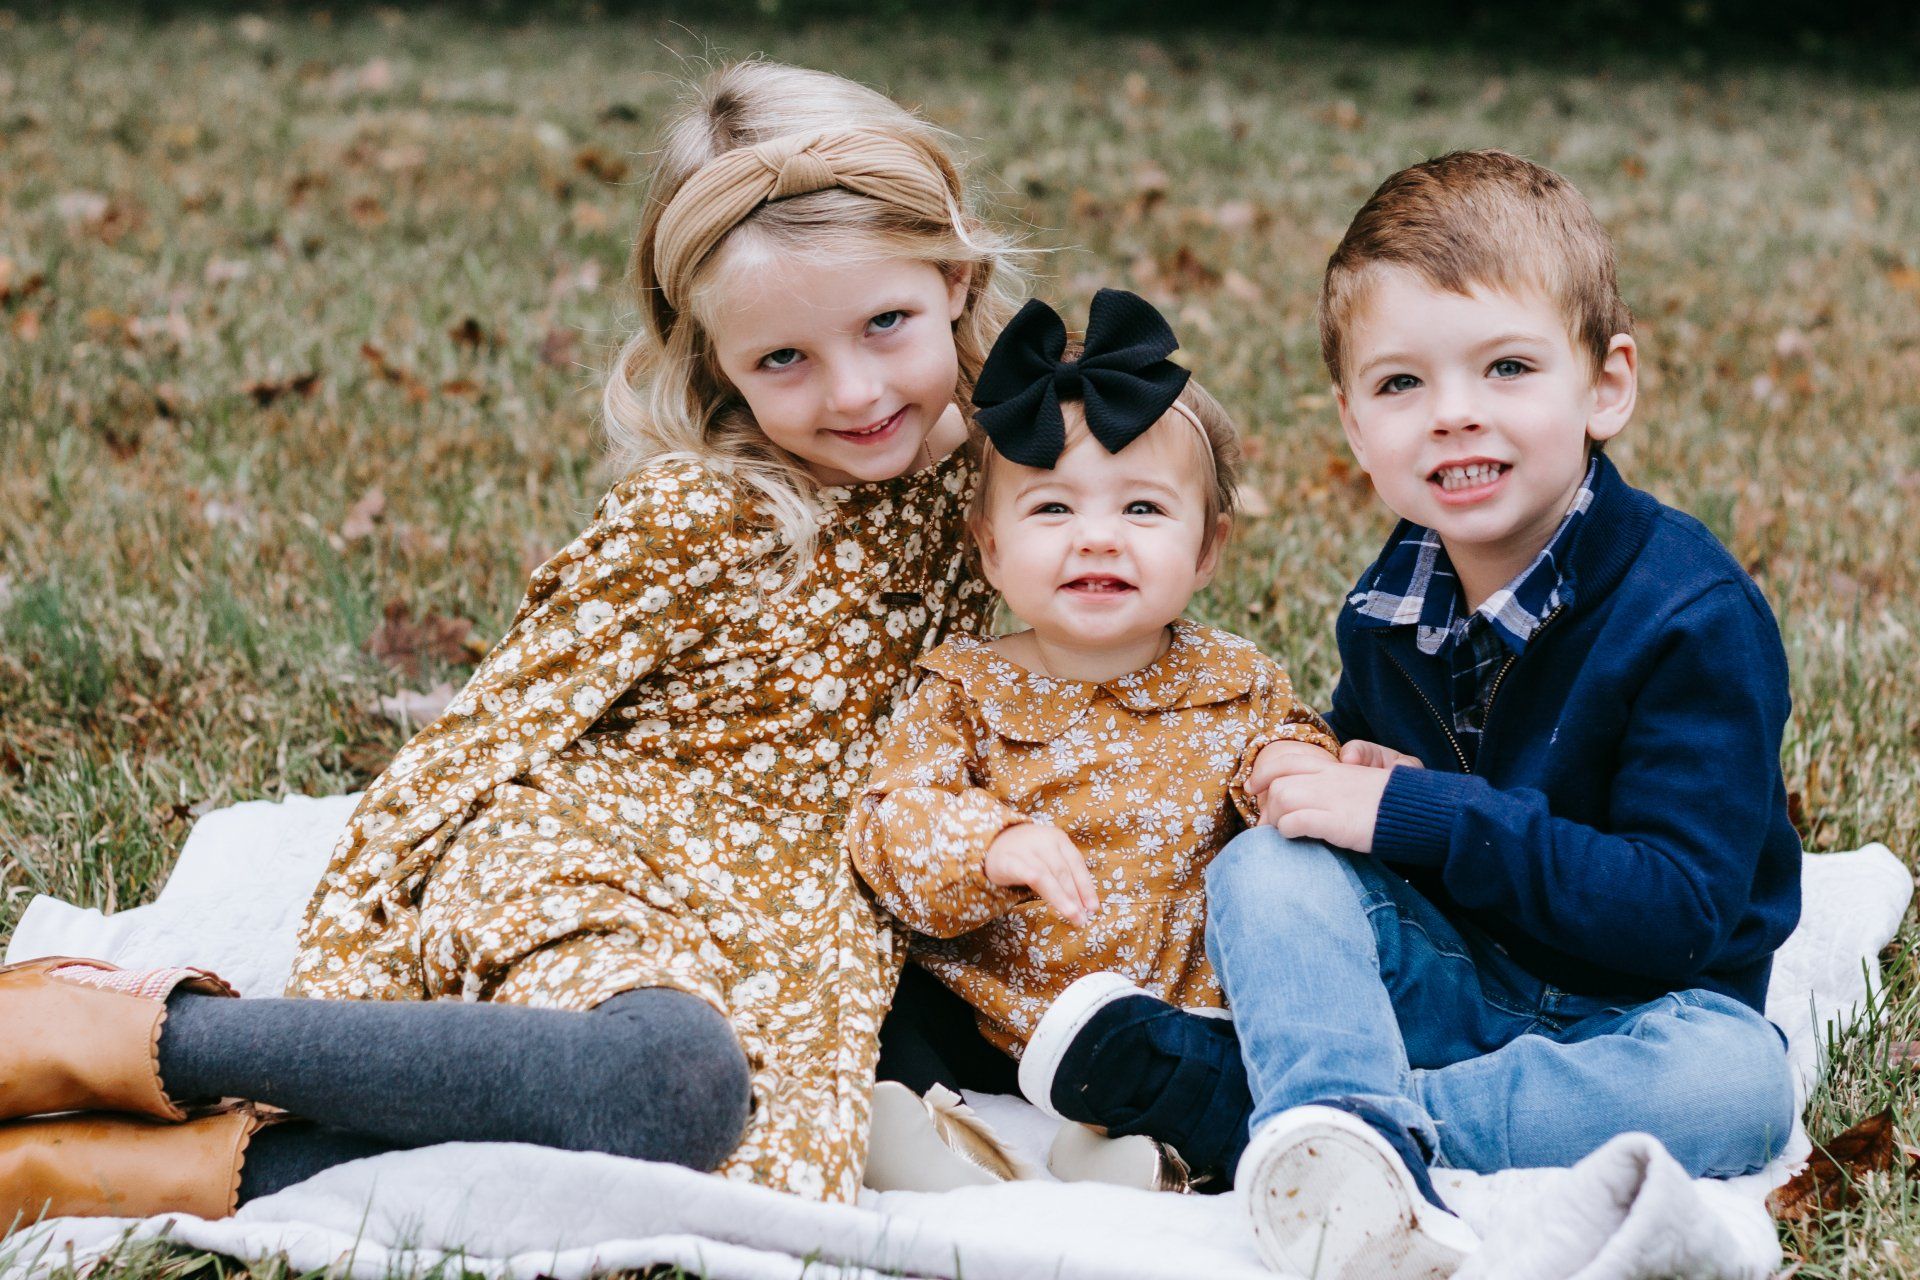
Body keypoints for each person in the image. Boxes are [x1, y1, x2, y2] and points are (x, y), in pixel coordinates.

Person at [0, 59, 1025, 1224]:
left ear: (953, 277)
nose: (855, 392)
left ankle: (117, 1168)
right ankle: (138, 1035)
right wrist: (360, 966)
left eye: (887, 323)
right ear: (715, 361)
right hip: (595, 858)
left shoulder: (1005, 475)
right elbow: (486, 732)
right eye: (783, 359)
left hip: (789, 911)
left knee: (732, 1179)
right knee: (671, 1085)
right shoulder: (706, 514)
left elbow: (1131, 576)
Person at [1016, 151, 1801, 1279]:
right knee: (1267, 867)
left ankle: (1312, 1121)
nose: (1454, 415)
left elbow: (1675, 913)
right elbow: (1381, 821)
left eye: (1508, 367)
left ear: (1606, 385)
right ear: (1351, 422)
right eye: (1400, 385)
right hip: (1460, 977)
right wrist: (1341, 781)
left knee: (1742, 1087)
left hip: (1650, 1014)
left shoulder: (1690, 615)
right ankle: (1337, 1113)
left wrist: (1421, 811)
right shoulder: (1389, 608)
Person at [850, 288, 1338, 1189]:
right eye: (1052, 510)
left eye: (1143, 510)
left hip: (1160, 1009)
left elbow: (1288, 753)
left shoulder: (1234, 681)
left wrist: (1295, 765)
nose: (1099, 539)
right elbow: (893, 820)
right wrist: (990, 843)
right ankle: (926, 1132)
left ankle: (1121, 1150)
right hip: (987, 1008)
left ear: (1208, 548)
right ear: (990, 548)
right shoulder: (962, 689)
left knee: (1233, 1061)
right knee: (881, 997)